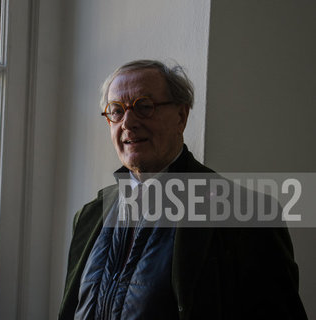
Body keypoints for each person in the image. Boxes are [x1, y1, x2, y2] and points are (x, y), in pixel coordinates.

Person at [58, 60, 307, 319]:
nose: (128, 122)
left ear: (181, 116)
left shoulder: (246, 214)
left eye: (144, 107)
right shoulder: (89, 217)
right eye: (116, 111)